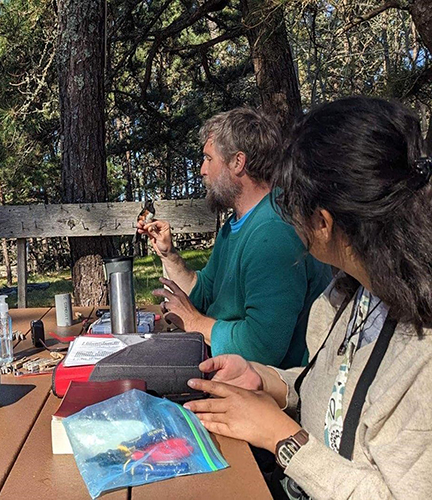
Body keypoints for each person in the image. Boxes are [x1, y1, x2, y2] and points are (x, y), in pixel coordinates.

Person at [184, 97, 432, 499]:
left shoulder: (421, 355)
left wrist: (281, 437)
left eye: (289, 201)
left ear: (322, 221)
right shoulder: (353, 297)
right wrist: (270, 381)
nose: (284, 214)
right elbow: (334, 394)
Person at [139, 108, 331, 368]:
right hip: (232, 371)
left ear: (237, 162)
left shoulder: (274, 232)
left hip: (269, 390)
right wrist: (168, 254)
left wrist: (195, 322)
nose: (202, 170)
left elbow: (262, 347)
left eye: (208, 159)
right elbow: (205, 292)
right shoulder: (236, 224)